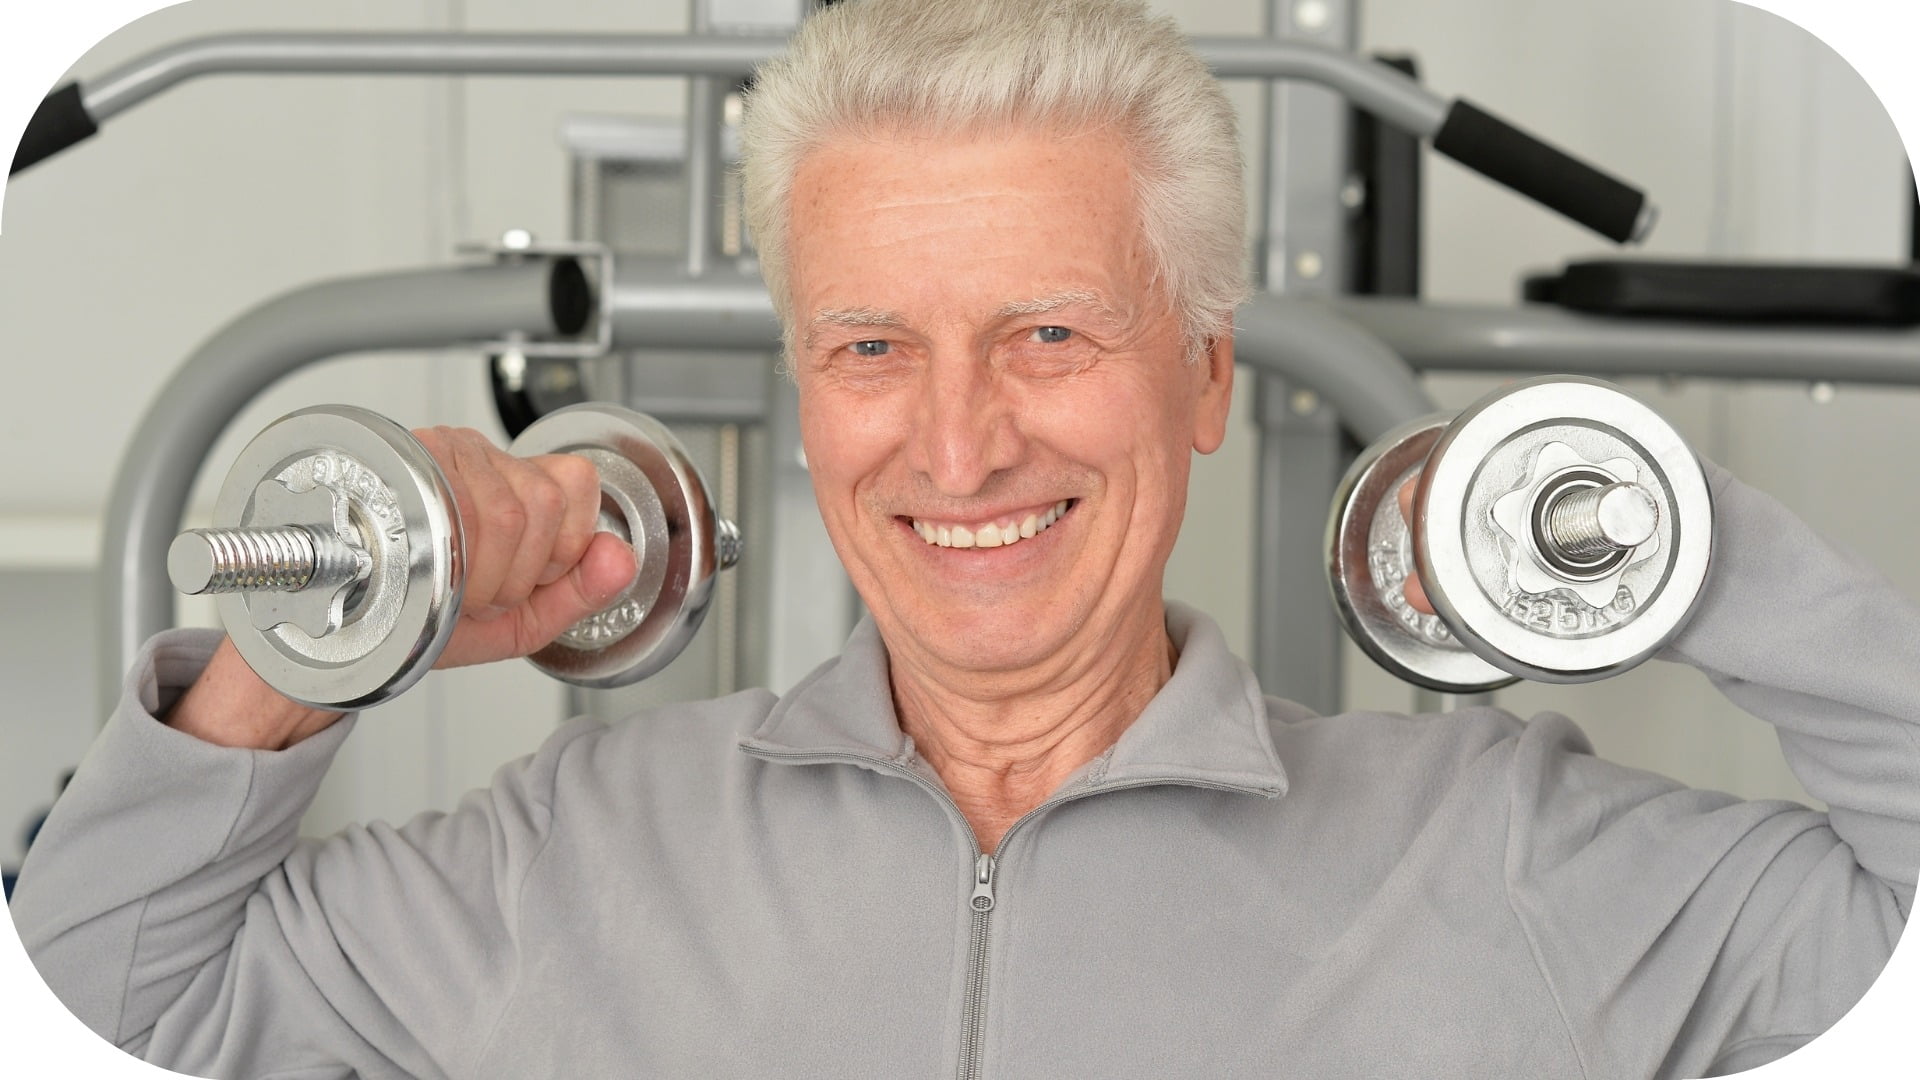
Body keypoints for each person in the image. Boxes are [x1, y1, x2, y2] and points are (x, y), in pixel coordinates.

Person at [11, 1, 1917, 1076]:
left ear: (1203, 378)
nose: (956, 438)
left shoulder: (1499, 854)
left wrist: (1648, 538)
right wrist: (332, 628)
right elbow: (104, 997)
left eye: (1052, 333)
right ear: (807, 383)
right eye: (871, 348)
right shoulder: (570, 853)